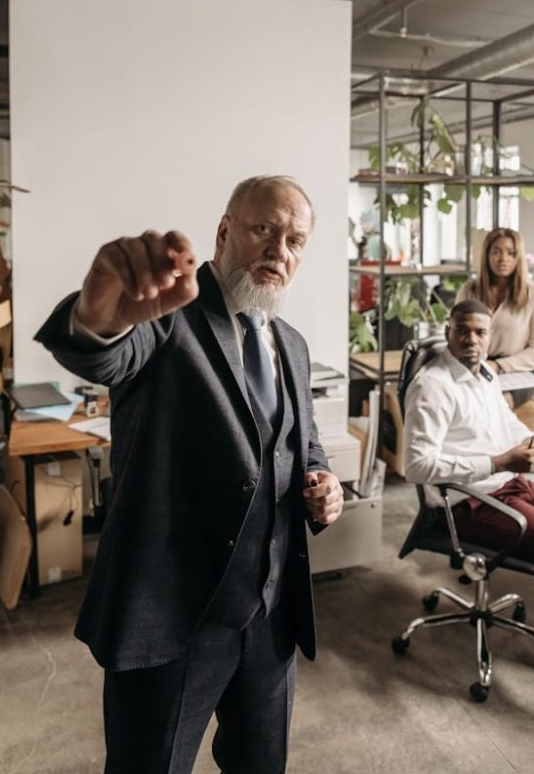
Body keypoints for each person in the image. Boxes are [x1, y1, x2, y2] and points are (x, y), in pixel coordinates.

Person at [35, 175, 344, 774]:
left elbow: (303, 446)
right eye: (264, 229)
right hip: (172, 617)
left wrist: (321, 482)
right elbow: (103, 351)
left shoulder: (295, 346)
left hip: (271, 618)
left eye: (296, 241)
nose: (280, 250)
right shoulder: (168, 320)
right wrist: (101, 311)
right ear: (225, 231)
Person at [403, 299, 534, 616]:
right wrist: (500, 463)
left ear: (490, 336)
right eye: (462, 331)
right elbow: (415, 467)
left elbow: (505, 425)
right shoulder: (432, 387)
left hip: (512, 485)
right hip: (471, 504)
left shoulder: (485, 373)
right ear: (447, 331)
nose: (471, 339)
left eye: (480, 332)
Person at [457, 227, 534, 406]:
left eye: (510, 253)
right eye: (496, 252)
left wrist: (499, 366)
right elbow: (455, 335)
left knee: (498, 406)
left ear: (518, 257)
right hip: (471, 367)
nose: (503, 259)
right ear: (487, 255)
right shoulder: (469, 290)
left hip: (516, 372)